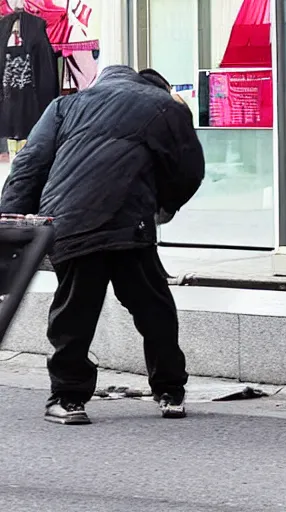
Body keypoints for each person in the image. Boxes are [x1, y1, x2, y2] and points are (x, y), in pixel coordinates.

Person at [0, 65, 205, 425]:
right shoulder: (165, 106)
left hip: (69, 221)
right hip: (130, 223)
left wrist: (11, 224)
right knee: (153, 308)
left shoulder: (66, 105)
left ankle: (67, 399)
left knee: (74, 312)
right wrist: (163, 205)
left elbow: (29, 164)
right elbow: (189, 169)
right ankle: (170, 392)